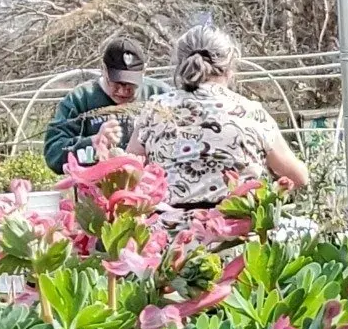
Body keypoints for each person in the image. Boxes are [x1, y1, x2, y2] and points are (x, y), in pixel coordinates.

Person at [126, 25, 309, 208]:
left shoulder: (155, 110)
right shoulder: (252, 113)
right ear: (229, 67)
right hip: (235, 230)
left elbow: (128, 173)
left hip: (168, 231)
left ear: (180, 64)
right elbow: (298, 177)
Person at [43, 36, 170, 173]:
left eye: (130, 84)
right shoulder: (80, 99)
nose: (122, 91)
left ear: (144, 71)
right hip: (95, 188)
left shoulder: (160, 95)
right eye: (115, 82)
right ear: (103, 69)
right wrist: (93, 142)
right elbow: (53, 153)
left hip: (152, 187)